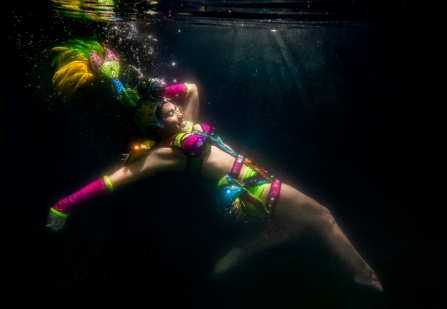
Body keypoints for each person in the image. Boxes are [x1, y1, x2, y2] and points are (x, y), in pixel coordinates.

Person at [44, 39, 383, 292]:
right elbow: (113, 179)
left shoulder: (187, 124)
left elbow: (189, 89)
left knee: (291, 226)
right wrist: (64, 205)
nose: (176, 108)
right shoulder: (165, 154)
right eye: (168, 111)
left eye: (174, 107)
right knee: (323, 216)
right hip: (252, 190)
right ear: (157, 125)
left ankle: (241, 251)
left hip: (256, 179)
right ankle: (363, 273)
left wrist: (151, 89)